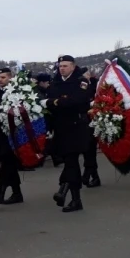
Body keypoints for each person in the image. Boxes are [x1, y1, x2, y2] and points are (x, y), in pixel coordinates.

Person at [43, 56, 92, 212]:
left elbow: (76, 101)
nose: (61, 68)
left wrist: (55, 102)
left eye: (65, 65)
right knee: (70, 162)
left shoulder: (81, 82)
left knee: (71, 161)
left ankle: (68, 193)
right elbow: (48, 104)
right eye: (60, 66)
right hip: (60, 128)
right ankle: (70, 195)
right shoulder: (56, 82)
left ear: (73, 66)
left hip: (76, 127)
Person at [0, 68, 23, 205]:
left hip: (14, 131)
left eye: (3, 77)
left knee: (8, 161)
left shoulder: (18, 92)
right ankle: (17, 193)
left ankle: (0, 191)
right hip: (0, 132)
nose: (0, 80)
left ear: (10, 77)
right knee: (9, 162)